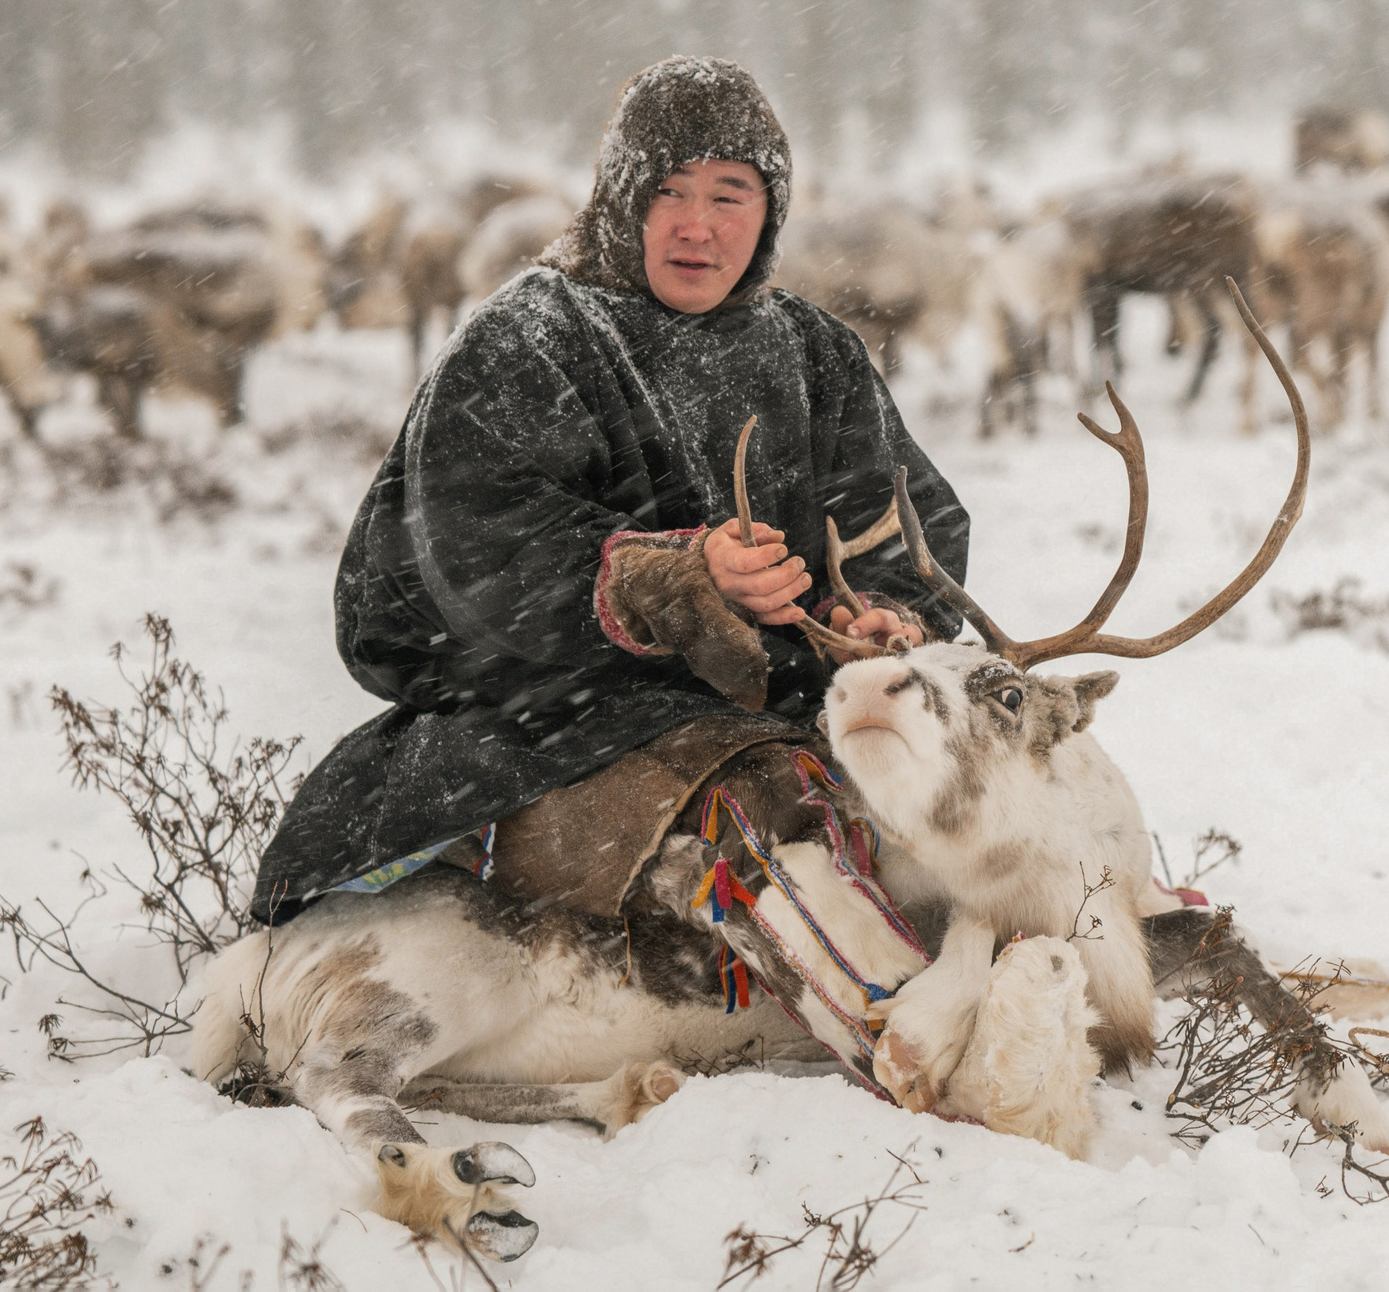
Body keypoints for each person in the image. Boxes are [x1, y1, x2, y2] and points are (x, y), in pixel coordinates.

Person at [252, 58, 969, 924]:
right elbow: (479, 546)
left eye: (730, 195)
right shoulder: (530, 337)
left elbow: (901, 518)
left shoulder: (816, 352)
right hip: (557, 720)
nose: (697, 226)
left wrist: (879, 616)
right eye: (669, 191)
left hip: (789, 704)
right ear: (622, 197)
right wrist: (678, 577)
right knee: (771, 825)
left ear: (770, 211)